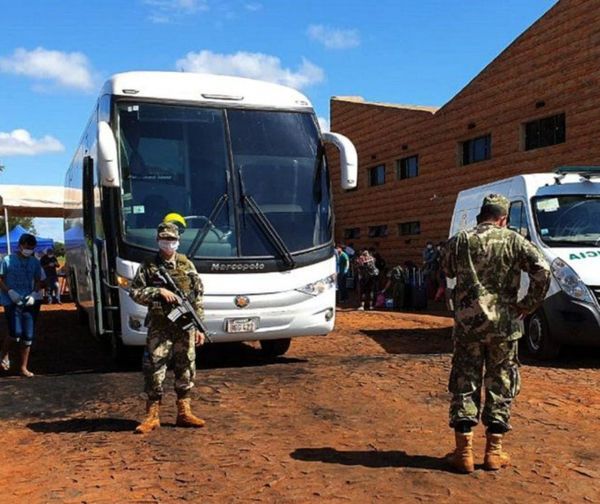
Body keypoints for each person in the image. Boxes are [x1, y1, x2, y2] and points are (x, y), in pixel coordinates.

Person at [441, 194, 551, 473]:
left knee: (465, 382)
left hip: (468, 327)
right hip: (504, 326)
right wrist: (527, 304)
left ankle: (463, 452)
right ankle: (494, 452)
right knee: (501, 383)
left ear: (482, 215)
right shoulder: (514, 240)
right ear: (503, 218)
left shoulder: (462, 240)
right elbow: (543, 269)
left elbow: (447, 269)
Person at [129, 222, 206, 434]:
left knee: (186, 367)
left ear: (178, 241)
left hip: (184, 327)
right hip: (159, 326)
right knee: (154, 368)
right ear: (157, 240)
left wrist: (199, 327)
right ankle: (152, 416)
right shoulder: (148, 265)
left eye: (171, 240)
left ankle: (184, 413)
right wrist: (158, 291)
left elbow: (197, 297)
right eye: (164, 239)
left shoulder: (186, 265)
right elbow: (134, 292)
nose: (168, 243)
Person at [0, 233, 44, 377]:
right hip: (11, 300)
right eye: (27, 247)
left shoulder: (35, 262)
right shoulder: (7, 260)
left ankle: (23, 367)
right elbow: (0, 278)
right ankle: (4, 353)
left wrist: (33, 294)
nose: (29, 250)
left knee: (28, 335)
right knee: (15, 332)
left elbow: (38, 280)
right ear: (20, 246)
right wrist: (10, 291)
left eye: (32, 248)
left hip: (28, 301)